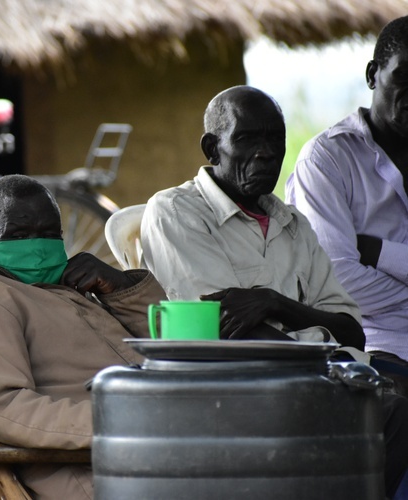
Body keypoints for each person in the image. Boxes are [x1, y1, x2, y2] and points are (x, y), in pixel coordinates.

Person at [140, 85, 408, 498]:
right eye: (247, 139)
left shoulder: (294, 224)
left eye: (274, 140)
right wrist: (318, 342)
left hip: (325, 374)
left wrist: (273, 303)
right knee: (395, 412)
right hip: (241, 388)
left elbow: (352, 330)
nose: (265, 152)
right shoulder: (175, 212)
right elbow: (228, 333)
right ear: (213, 148)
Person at [0, 174, 166, 500]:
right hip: (95, 468)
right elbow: (6, 409)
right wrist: (133, 423)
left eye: (49, 234)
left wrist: (122, 288)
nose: (38, 247)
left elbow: (170, 346)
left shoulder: (67, 284)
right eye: (18, 235)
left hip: (155, 441)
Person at [286, 15, 408, 378]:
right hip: (373, 347)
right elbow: (335, 280)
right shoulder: (327, 160)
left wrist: (379, 252)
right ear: (373, 75)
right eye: (404, 75)